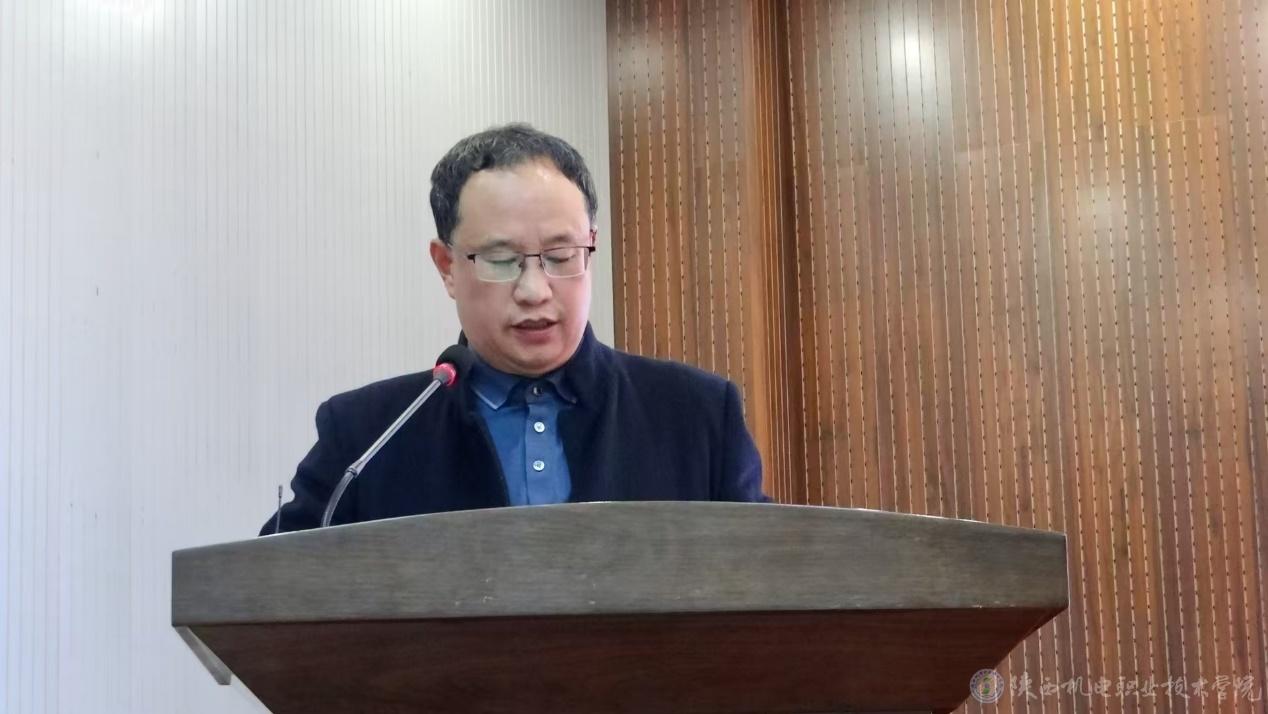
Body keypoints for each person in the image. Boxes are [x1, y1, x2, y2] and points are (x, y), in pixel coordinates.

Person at [262, 124, 768, 534]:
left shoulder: (697, 415)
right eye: (501, 261)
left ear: (590, 248)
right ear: (446, 267)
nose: (534, 290)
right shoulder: (367, 436)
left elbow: (768, 588)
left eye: (560, 256)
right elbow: (270, 594)